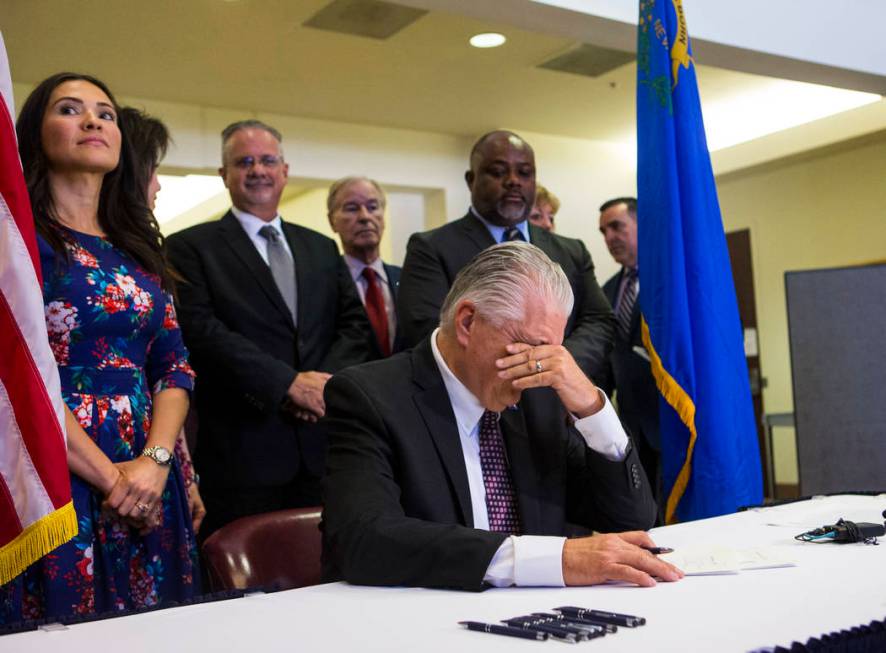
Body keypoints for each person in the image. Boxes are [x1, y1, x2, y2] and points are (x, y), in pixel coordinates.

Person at [322, 241, 682, 591]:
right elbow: (363, 540)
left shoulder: (538, 396)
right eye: (532, 346)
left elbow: (631, 518)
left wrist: (591, 407)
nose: (542, 364)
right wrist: (550, 559)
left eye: (552, 350)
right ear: (467, 322)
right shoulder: (369, 397)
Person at [2, 72, 199, 621]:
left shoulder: (138, 248)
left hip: (149, 479)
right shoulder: (17, 249)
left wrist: (155, 465)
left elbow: (174, 369)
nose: (92, 120)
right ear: (35, 134)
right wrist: (113, 479)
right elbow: (18, 378)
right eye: (69, 110)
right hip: (60, 475)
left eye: (105, 113)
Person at [166, 120, 371, 539]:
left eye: (267, 160)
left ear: (285, 170)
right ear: (224, 175)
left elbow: (354, 326)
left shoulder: (321, 246)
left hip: (324, 448)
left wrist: (322, 387)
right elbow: (201, 332)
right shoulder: (189, 247)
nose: (257, 169)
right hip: (244, 456)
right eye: (244, 161)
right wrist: (288, 384)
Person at [397, 130, 614, 383]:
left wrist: (556, 365)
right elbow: (428, 331)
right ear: (471, 180)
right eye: (498, 172)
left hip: (558, 404)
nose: (514, 181)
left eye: (524, 173)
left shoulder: (572, 251)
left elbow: (599, 320)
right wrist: (521, 366)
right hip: (475, 403)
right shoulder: (431, 248)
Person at [118, 106, 206, 534]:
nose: (158, 184)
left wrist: (177, 470)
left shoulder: (148, 258)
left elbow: (169, 370)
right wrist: (116, 477)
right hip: (86, 461)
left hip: (158, 461)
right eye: (152, 170)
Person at [597, 197, 661, 512]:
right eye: (604, 232)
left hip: (672, 419)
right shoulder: (607, 290)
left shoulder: (669, 280)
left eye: (616, 227)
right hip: (630, 425)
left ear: (641, 224)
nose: (609, 238)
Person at [327, 176, 402, 357]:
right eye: (352, 209)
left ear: (383, 217)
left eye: (373, 207)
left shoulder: (406, 278)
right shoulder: (323, 283)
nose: (364, 217)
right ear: (332, 221)